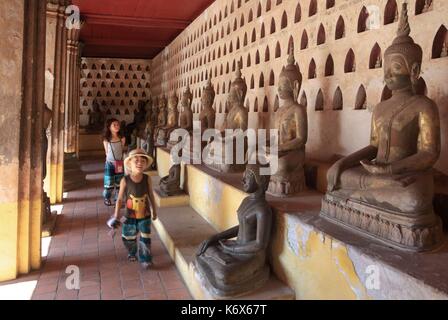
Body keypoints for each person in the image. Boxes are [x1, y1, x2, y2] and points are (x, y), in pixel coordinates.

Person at [108, 149, 158, 269]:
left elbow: (151, 195)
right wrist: (116, 215)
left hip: (145, 215)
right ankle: (132, 251)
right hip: (128, 216)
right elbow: (119, 199)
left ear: (146, 164)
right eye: (136, 160)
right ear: (129, 163)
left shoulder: (147, 179)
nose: (139, 163)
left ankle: (146, 259)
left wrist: (154, 210)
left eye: (142, 161)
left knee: (146, 237)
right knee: (128, 237)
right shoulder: (125, 180)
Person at [103, 118, 126, 206]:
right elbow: (106, 152)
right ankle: (107, 197)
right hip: (109, 163)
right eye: (114, 125)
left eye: (118, 125)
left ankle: (118, 199)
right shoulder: (106, 139)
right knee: (109, 183)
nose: (117, 126)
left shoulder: (122, 138)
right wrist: (110, 161)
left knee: (119, 183)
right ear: (109, 127)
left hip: (119, 163)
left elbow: (121, 149)